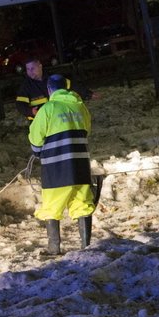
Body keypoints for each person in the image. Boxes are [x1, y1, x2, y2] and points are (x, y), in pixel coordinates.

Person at [28, 74, 95, 253]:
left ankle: (54, 248)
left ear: (49, 90)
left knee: (52, 206)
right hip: (80, 163)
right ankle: (86, 246)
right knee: (82, 202)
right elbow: (87, 129)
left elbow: (36, 136)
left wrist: (37, 151)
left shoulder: (48, 108)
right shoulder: (80, 106)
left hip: (56, 166)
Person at [15, 56, 91, 123]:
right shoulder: (25, 87)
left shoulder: (53, 78)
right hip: (40, 121)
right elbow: (20, 104)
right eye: (28, 69)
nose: (30, 72)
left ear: (40, 66)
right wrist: (30, 111)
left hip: (59, 117)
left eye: (32, 68)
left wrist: (88, 94)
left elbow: (72, 86)